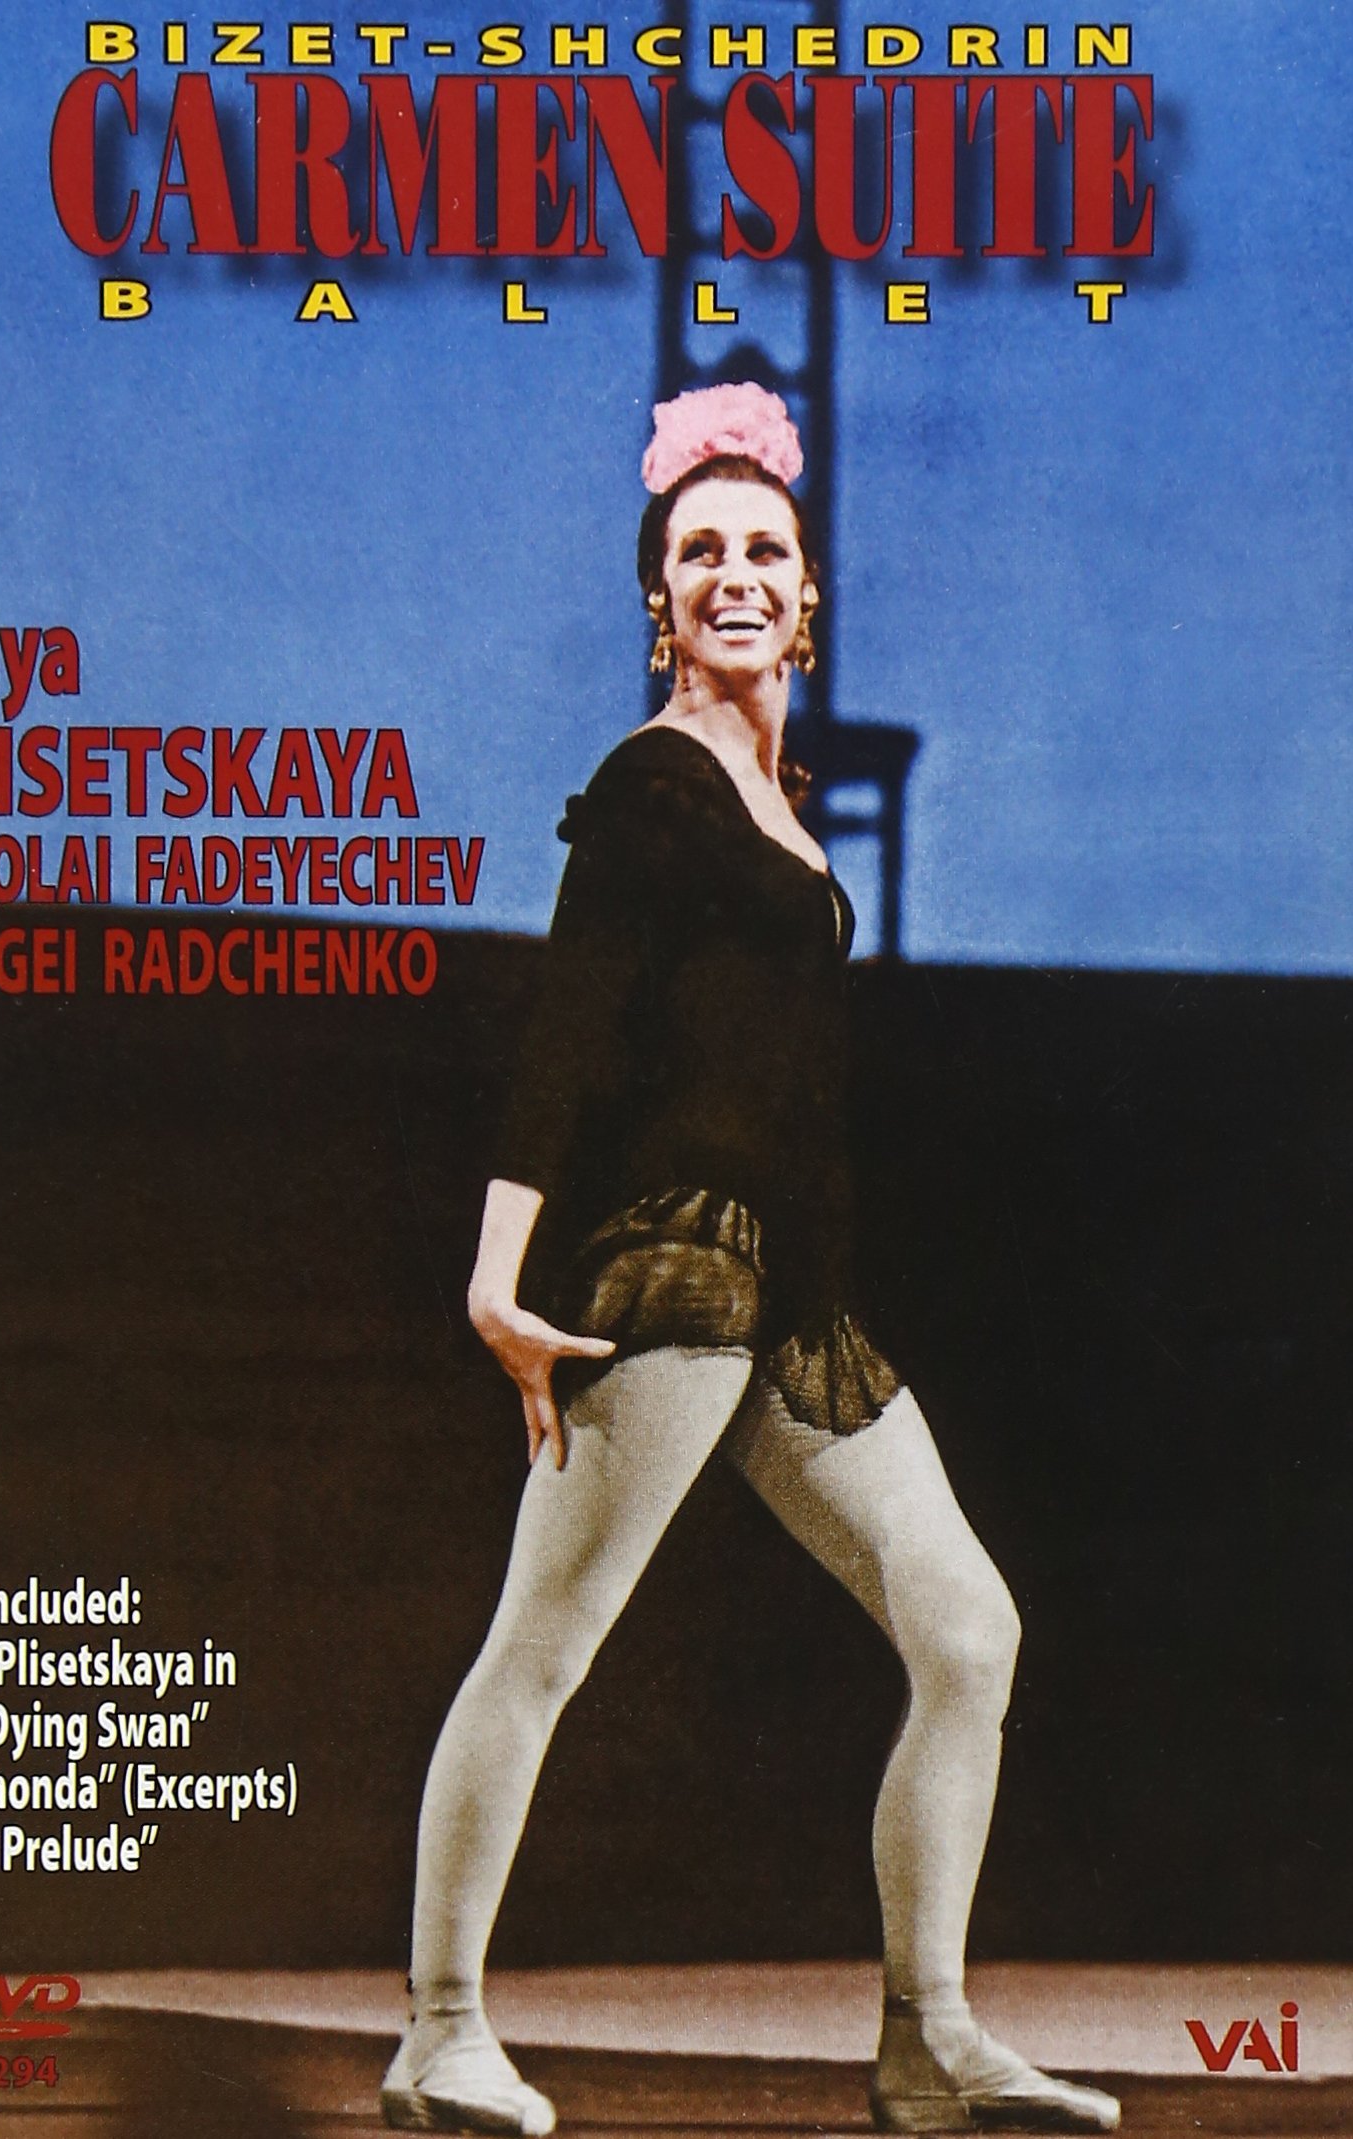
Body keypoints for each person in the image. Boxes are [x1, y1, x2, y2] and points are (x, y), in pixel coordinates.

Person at [381, 384, 1120, 2137]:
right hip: (676, 1270)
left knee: (970, 1633)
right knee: (543, 1648)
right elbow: (566, 1035)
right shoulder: (655, 785)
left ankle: (928, 2039)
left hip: (798, 1301)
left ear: (808, 597)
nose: (734, 572)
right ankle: (438, 2030)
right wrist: (497, 1280)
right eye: (699, 550)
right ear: (660, 600)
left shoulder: (774, 800)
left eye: (764, 551)